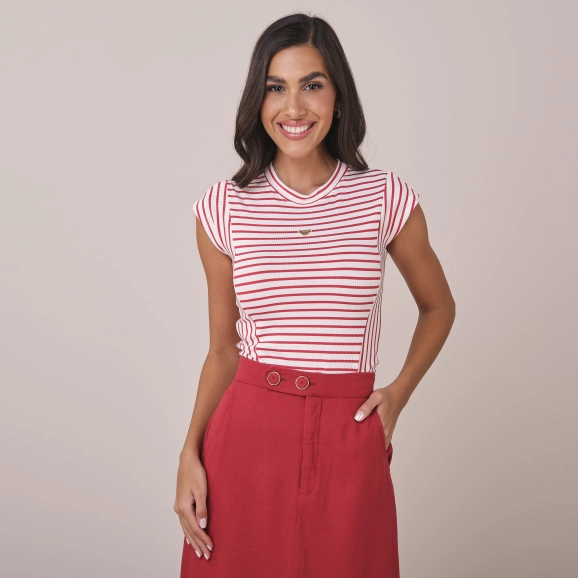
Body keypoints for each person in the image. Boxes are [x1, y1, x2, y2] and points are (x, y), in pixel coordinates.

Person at [175, 12, 455, 578]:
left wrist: (398, 393)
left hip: (349, 436)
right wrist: (189, 453)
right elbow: (223, 351)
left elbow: (438, 306)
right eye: (276, 87)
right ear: (258, 101)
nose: (294, 108)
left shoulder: (384, 197)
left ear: (338, 97)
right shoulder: (223, 207)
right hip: (245, 437)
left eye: (312, 85)